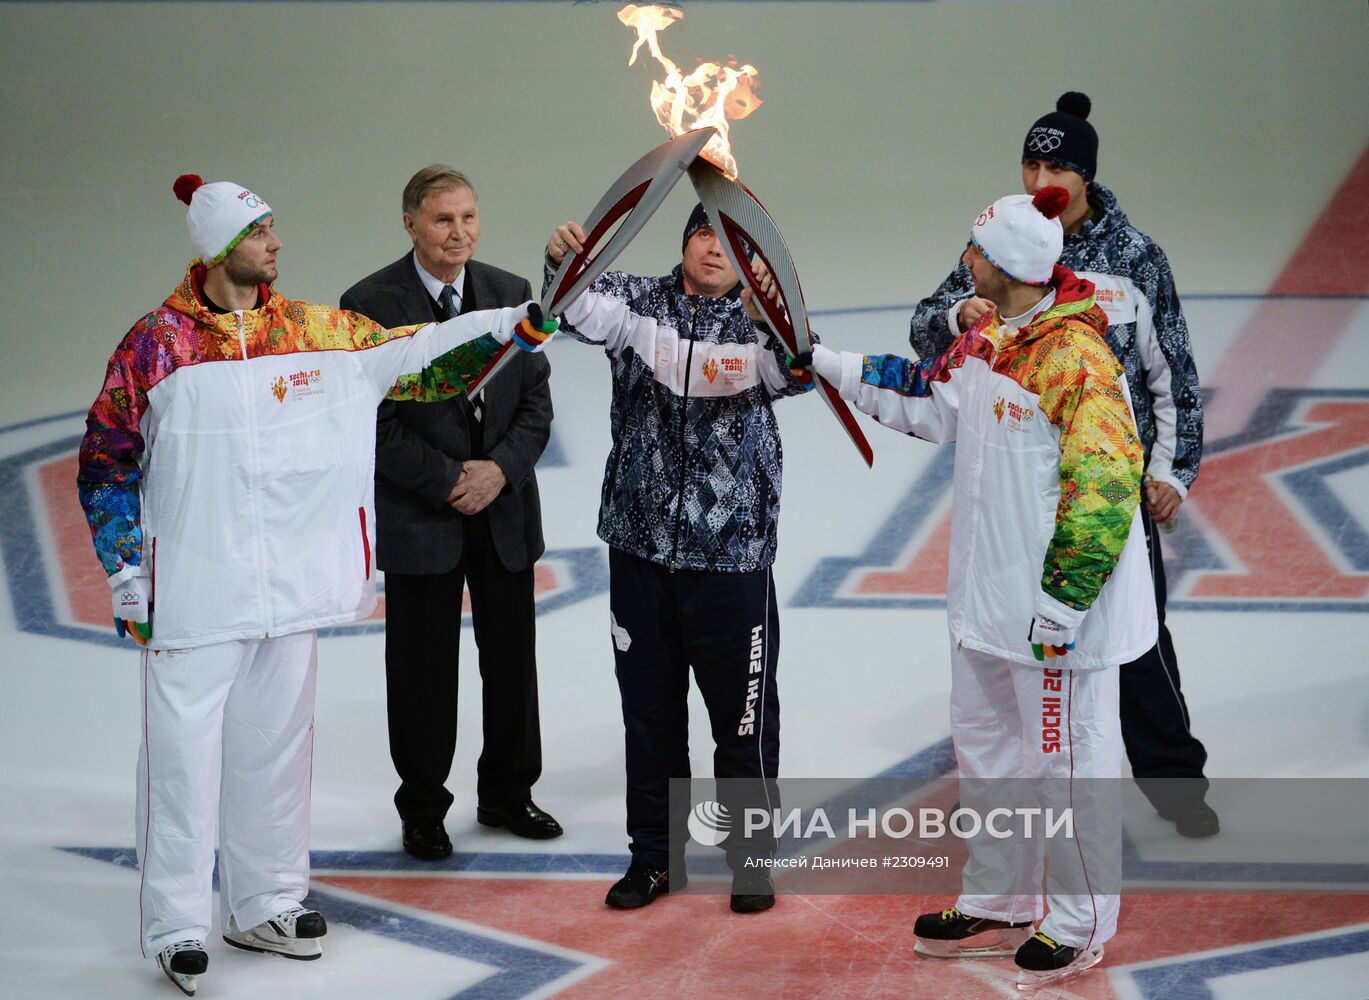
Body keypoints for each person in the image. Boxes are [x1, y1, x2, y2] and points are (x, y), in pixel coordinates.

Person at [77, 174, 548, 997]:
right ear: (223, 249)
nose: (277, 244)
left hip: (289, 589)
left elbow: (421, 361)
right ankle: (176, 926)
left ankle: (266, 900)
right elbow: (105, 461)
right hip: (194, 592)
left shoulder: (313, 331)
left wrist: (517, 325)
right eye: (261, 234)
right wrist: (123, 570)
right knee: (182, 766)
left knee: (275, 755)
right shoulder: (157, 345)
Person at [810, 188, 1157, 987]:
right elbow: (926, 397)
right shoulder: (990, 339)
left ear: (1003, 267)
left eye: (973, 254)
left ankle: (1077, 923)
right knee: (993, 758)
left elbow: (1106, 483)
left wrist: (1064, 602)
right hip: (985, 607)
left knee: (1068, 765)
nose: (963, 263)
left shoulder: (1075, 359)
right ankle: (999, 902)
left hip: (1053, 618)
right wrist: (825, 363)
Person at [909, 92, 1215, 838]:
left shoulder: (1135, 258)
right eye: (1031, 161)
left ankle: (1174, 785)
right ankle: (1008, 790)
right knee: (1009, 634)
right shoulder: (999, 239)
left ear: (1086, 176)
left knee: (1130, 640)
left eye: (1057, 165)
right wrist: (957, 317)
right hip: (1015, 479)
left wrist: (1171, 471)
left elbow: (1170, 372)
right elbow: (925, 325)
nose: (1042, 176)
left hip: (1098, 484)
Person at [545, 205, 811, 914]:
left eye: (729, 242)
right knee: (650, 717)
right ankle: (655, 858)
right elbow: (572, 310)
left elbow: (796, 372)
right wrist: (563, 259)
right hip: (639, 551)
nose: (712, 250)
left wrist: (767, 309)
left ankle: (751, 858)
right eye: (702, 234)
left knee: (743, 721)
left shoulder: (766, 318)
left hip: (733, 560)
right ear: (684, 243)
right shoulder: (637, 300)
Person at [341, 166, 560, 860]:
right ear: (409, 224)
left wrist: (499, 470)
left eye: (468, 218)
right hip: (422, 514)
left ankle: (507, 791)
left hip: (502, 509)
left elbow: (535, 404)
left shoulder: (511, 293)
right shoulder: (369, 304)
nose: (458, 233)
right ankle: (424, 809)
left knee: (511, 663)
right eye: (442, 221)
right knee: (420, 671)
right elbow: (369, 424)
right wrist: (446, 481)